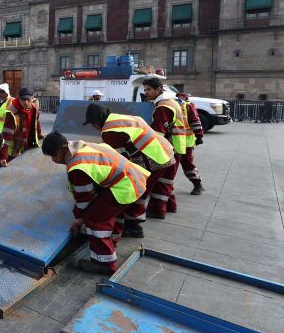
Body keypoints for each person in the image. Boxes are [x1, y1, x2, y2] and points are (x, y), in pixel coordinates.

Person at [42, 131, 149, 274]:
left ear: (64, 147)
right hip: (133, 180)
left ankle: (104, 263)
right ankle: (112, 241)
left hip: (124, 187)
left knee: (94, 218)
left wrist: (78, 220)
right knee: (109, 211)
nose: (54, 160)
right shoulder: (83, 146)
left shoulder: (77, 166)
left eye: (55, 155)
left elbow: (84, 199)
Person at [82, 103, 176, 238]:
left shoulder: (109, 131)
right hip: (164, 152)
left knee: (135, 189)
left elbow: (121, 162)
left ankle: (134, 226)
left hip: (154, 159)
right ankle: (134, 222)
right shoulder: (120, 118)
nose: (94, 127)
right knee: (140, 189)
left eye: (93, 124)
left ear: (97, 121)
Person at [142, 78, 188, 219]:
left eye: (149, 89)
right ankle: (170, 206)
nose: (146, 92)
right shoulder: (170, 102)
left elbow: (158, 134)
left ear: (158, 90)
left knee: (160, 181)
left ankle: (157, 211)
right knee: (167, 179)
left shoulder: (162, 107)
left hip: (169, 148)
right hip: (176, 145)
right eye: (145, 89)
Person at [0, 87, 42, 166]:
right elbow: (6, 136)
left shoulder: (34, 108)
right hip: (15, 150)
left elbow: (36, 123)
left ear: (33, 98)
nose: (26, 102)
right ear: (18, 99)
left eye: (28, 99)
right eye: (23, 99)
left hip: (29, 146)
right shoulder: (11, 113)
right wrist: (2, 156)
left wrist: (39, 135)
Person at [177, 93, 205, 195]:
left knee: (187, 164)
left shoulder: (188, 106)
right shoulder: (174, 105)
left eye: (181, 97)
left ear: (186, 98)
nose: (179, 98)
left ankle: (198, 184)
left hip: (186, 142)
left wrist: (199, 136)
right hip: (175, 141)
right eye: (178, 97)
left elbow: (195, 121)